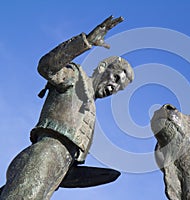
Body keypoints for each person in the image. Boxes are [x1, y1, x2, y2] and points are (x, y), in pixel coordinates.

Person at [0, 16, 134, 200]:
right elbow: (46, 67)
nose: (114, 87)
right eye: (116, 78)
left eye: (120, 88)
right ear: (103, 67)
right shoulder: (76, 76)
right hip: (45, 155)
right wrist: (85, 41)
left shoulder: (91, 108)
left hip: (59, 170)